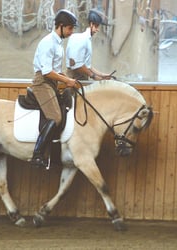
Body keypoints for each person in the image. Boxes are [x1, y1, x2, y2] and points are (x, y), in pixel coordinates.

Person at [30, 9, 78, 169]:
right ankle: (37, 154)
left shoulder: (59, 44)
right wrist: (67, 80)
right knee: (55, 117)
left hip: (51, 83)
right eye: (70, 28)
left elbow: (56, 71)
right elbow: (46, 71)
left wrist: (70, 80)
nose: (71, 32)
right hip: (41, 83)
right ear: (61, 26)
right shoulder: (48, 42)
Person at [66, 9, 112, 81]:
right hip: (75, 78)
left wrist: (102, 75)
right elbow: (77, 65)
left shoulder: (87, 40)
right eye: (96, 26)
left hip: (82, 77)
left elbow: (87, 66)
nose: (98, 30)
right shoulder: (81, 38)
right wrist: (93, 76)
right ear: (91, 24)